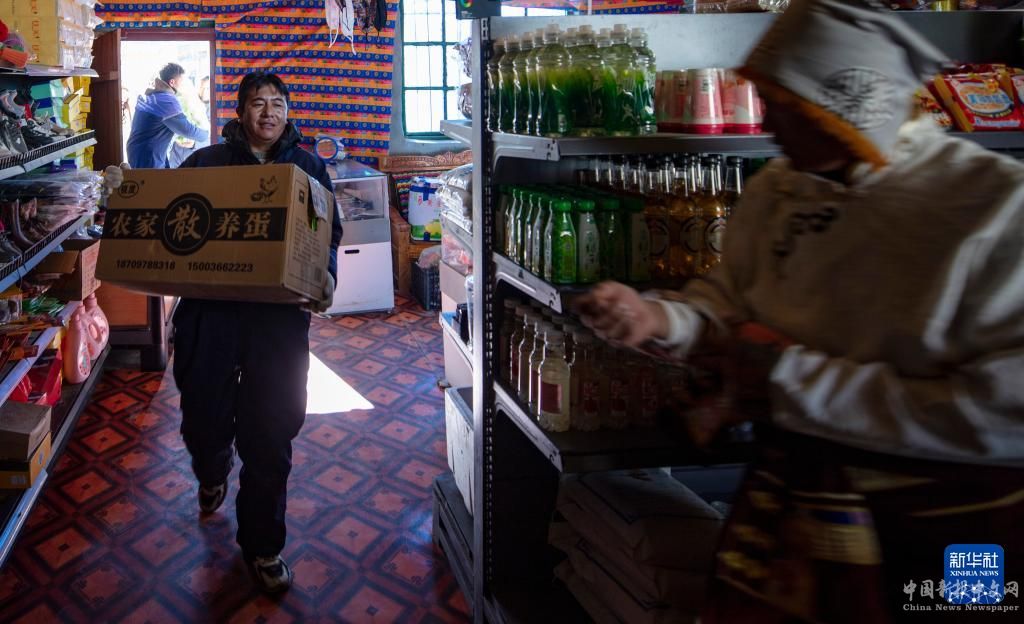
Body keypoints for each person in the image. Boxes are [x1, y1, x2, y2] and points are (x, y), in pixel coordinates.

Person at [578, 0, 1024, 621]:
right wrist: (659, 319)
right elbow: (728, 299)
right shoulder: (780, 190)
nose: (769, 121)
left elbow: (1006, 409)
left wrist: (791, 381)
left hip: (949, 519)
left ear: (838, 111)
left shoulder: (991, 205)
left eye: (785, 106)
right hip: (795, 505)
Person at [173, 71, 343, 594]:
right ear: (240, 112)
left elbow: (328, 231)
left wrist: (326, 275)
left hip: (277, 320)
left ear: (288, 111)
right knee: (202, 418)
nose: (268, 113)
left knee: (271, 431)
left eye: (277, 103)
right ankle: (212, 468)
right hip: (212, 314)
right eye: (257, 103)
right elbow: (165, 211)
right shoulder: (206, 163)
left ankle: (263, 545)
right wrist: (121, 193)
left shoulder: (308, 168)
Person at [125, 63, 209, 168]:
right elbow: (187, 129)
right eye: (182, 81)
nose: (183, 85)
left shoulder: (154, 95)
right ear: (172, 82)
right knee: (152, 179)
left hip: (140, 150)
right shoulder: (166, 100)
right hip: (148, 155)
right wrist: (207, 135)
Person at [167, 75, 210, 168]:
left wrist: (194, 144)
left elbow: (214, 138)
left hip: (195, 157)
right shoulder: (189, 102)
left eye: (207, 88)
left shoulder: (215, 112)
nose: (204, 91)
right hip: (176, 153)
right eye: (202, 87)